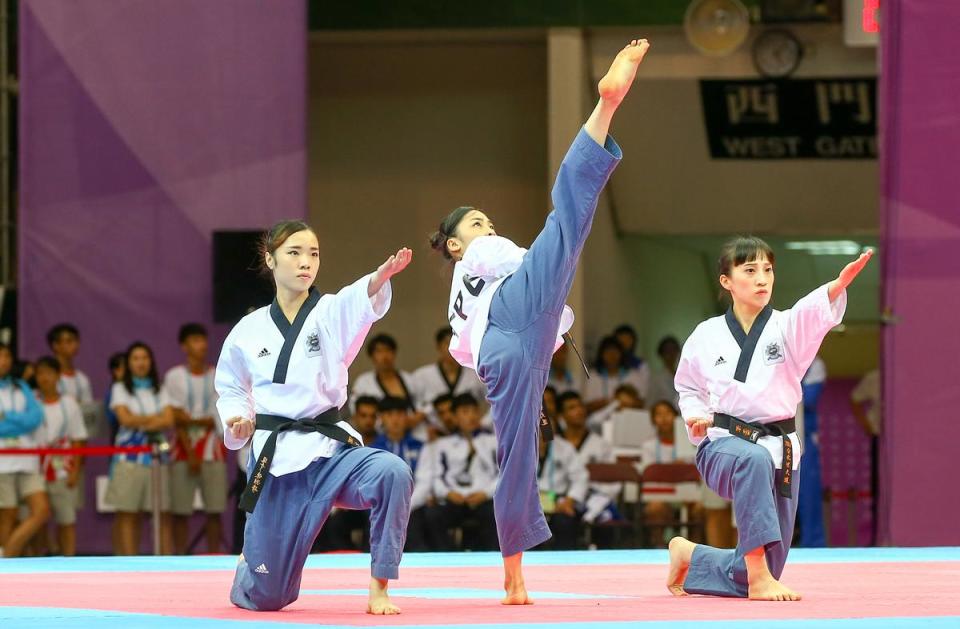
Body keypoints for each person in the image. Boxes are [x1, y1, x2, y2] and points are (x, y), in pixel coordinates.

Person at [429, 39, 649, 603]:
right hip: (518, 319)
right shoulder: (480, 253)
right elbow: (532, 265)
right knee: (566, 221)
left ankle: (514, 573)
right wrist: (551, 289)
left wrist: (549, 312)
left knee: (517, 456)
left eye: (486, 220)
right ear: (455, 243)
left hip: (503, 351)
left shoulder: (457, 299)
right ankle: (604, 108)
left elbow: (465, 352)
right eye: (476, 222)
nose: (487, 224)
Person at [215, 219, 413, 614]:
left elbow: (356, 303)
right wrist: (238, 419)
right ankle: (249, 564)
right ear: (270, 260)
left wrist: (379, 277)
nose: (306, 262)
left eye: (314, 254)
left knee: (392, 472)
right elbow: (232, 388)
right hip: (278, 461)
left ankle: (379, 589)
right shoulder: (247, 330)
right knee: (268, 598)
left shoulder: (327, 312)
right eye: (294, 253)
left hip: (331, 451)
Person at [668, 236, 872, 601]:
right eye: (750, 270)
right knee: (752, 459)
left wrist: (836, 287)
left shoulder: (785, 328)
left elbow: (811, 314)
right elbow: (687, 387)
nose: (762, 278)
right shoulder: (706, 335)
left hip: (782, 448)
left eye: (768, 269)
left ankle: (693, 555)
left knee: (760, 567)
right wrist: (696, 415)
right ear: (726, 281)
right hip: (723, 447)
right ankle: (759, 576)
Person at [107, 341, 174, 555]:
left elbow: (169, 419)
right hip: (129, 460)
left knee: (162, 514)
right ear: (128, 362)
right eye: (135, 358)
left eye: (144, 358)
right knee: (127, 513)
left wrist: (141, 420)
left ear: (151, 361)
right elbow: (124, 419)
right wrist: (155, 418)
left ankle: (165, 565)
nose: (140, 363)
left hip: (157, 459)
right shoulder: (119, 388)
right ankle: (127, 564)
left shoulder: (160, 388)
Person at [164, 323, 226, 554]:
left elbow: (217, 417)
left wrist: (194, 420)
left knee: (215, 508)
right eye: (194, 340)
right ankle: (179, 556)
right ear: (184, 346)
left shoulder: (217, 375)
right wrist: (190, 451)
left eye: (203, 340)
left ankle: (214, 556)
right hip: (182, 448)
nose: (201, 345)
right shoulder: (174, 376)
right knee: (180, 509)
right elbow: (175, 416)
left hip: (212, 448)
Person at [34, 356, 88, 556]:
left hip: (62, 469)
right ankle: (38, 560)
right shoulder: (31, 401)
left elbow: (78, 438)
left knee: (66, 519)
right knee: (37, 520)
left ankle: (68, 561)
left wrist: (75, 470)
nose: (45, 377)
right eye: (40, 373)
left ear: (58, 376)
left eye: (49, 372)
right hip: (35, 469)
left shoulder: (69, 404)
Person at [0, 342, 49, 558]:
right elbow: (24, 421)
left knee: (41, 510)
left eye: (7, 355)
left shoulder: (21, 386)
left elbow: (35, 417)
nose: (4, 361)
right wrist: (21, 421)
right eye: (0, 356)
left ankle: (6, 557)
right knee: (8, 514)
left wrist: (7, 418)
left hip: (26, 458)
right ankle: (8, 568)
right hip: (2, 461)